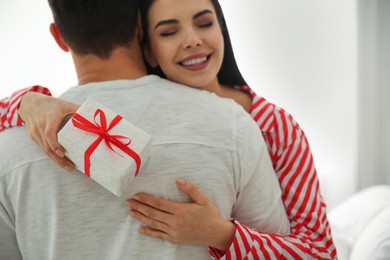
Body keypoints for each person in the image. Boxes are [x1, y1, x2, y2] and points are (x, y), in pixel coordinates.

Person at [0, 0, 337, 259]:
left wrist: (223, 234)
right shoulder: (232, 126)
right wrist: (27, 102)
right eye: (169, 31)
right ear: (143, 35)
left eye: (204, 23)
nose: (192, 41)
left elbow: (318, 251)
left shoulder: (264, 125)